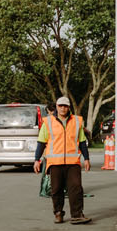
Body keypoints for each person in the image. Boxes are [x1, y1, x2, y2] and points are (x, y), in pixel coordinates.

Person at [33, 96, 92, 224]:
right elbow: (41, 142)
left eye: (65, 106)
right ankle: (58, 213)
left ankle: (77, 214)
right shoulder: (48, 122)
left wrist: (86, 158)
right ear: (57, 107)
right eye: (60, 106)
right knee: (56, 189)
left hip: (73, 162)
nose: (63, 108)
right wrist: (37, 160)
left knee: (76, 188)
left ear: (69, 107)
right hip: (55, 162)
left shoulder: (76, 121)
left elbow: (82, 142)